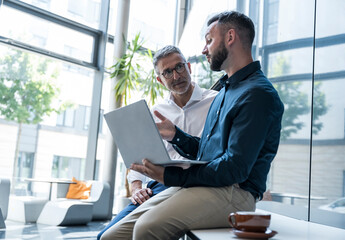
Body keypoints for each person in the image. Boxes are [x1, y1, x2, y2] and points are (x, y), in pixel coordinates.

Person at [101, 11, 284, 240]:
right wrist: (176, 135)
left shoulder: (257, 94)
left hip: (235, 192)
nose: (204, 49)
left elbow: (234, 169)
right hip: (207, 185)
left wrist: (170, 177)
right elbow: (208, 153)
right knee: (112, 236)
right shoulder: (226, 92)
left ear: (230, 37)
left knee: (146, 228)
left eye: (209, 40)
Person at [97, 45, 217, 240]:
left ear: (189, 67)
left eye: (179, 67)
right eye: (168, 72)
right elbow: (140, 160)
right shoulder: (155, 112)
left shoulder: (215, 102)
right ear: (160, 80)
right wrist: (137, 188)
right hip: (159, 184)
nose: (176, 76)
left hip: (196, 183)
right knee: (105, 237)